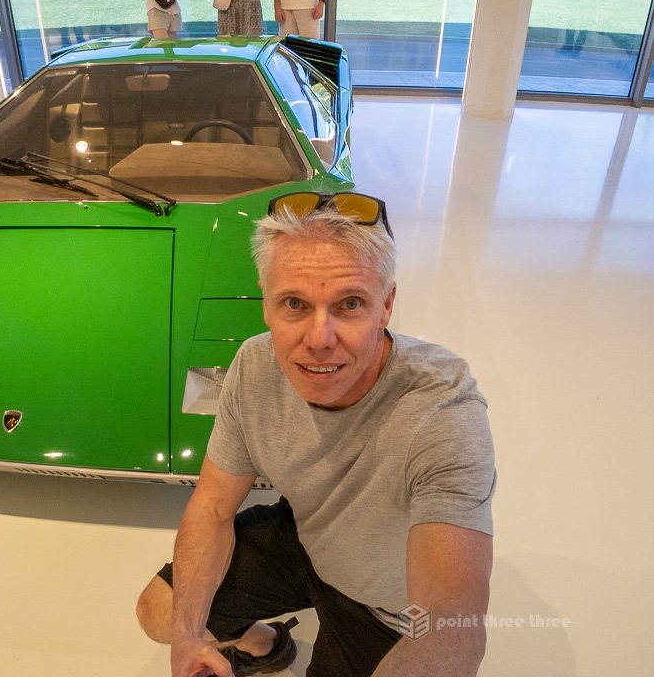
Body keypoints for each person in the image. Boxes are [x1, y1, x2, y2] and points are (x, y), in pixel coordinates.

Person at [136, 192, 496, 676]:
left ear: (386, 305)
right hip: (308, 539)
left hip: (386, 612)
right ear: (265, 302)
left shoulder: (442, 411)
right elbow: (215, 506)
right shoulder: (254, 364)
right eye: (295, 304)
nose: (320, 339)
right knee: (161, 612)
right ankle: (264, 644)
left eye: (349, 304)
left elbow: (453, 622)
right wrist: (186, 636)